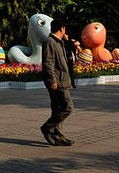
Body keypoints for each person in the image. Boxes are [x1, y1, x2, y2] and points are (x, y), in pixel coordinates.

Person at [40, 18, 75, 146]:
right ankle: (47, 128)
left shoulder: (59, 42)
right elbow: (48, 63)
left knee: (57, 108)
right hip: (57, 81)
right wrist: (52, 80)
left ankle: (58, 135)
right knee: (68, 107)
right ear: (62, 29)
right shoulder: (50, 42)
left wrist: (68, 40)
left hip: (63, 79)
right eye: (64, 28)